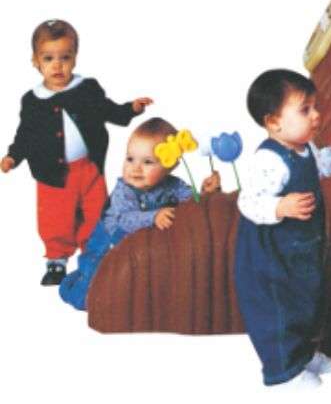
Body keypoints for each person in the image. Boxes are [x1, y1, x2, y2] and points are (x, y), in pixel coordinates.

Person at [1, 19, 152, 285]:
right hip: (51, 173)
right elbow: (25, 134)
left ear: (75, 58)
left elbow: (109, 110)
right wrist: (13, 156)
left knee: (96, 212)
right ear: (36, 61)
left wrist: (131, 109)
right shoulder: (32, 101)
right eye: (48, 58)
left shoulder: (87, 89)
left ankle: (94, 255)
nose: (57, 65)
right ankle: (56, 260)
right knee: (55, 217)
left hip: (88, 168)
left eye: (65, 57)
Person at [236, 69, 331, 389]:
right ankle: (283, 370)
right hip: (273, 255)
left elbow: (321, 164)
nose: (316, 115)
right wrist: (280, 206)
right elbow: (248, 201)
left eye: (315, 107)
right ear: (274, 122)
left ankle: (302, 354)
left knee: (305, 301)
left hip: (302, 247)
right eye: (305, 110)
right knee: (280, 309)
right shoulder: (269, 160)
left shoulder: (305, 148)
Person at [59, 117, 221, 310]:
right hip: (110, 243)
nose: (135, 168)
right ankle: (76, 288)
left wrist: (206, 194)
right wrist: (154, 216)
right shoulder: (124, 190)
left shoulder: (174, 185)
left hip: (140, 249)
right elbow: (124, 219)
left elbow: (192, 207)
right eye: (130, 159)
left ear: (170, 165)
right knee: (94, 286)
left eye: (147, 162)